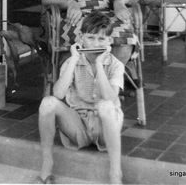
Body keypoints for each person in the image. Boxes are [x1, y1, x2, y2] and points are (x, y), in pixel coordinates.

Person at [37, 11, 124, 184]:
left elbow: (111, 99)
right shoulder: (71, 62)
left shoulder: (116, 65)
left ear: (109, 42)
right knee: (47, 103)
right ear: (81, 38)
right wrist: (74, 60)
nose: (95, 43)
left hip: (104, 128)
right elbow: (58, 94)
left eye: (101, 39)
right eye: (91, 38)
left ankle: (116, 172)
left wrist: (99, 64)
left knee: (105, 105)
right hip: (78, 127)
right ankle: (47, 164)